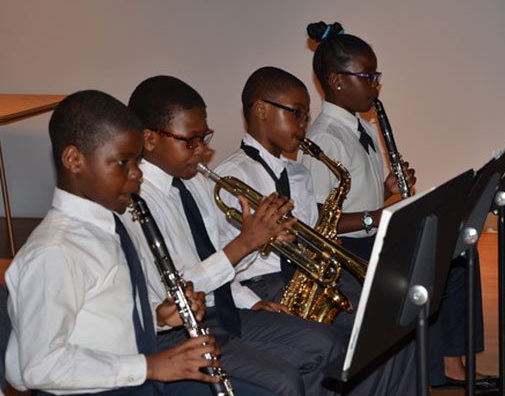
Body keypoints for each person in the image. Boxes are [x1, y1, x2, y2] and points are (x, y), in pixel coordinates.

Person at [299, 21, 497, 391]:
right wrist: (377, 216)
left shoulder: (360, 127)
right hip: (349, 248)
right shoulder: (324, 138)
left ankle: (449, 363)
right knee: (436, 265)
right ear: (337, 81)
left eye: (376, 76)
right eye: (367, 76)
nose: (375, 85)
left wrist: (387, 189)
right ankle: (439, 367)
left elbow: (355, 194)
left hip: (371, 234)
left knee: (458, 255)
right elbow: (318, 219)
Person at [124, 75, 344, 396]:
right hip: (177, 334)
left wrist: (253, 291)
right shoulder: (135, 202)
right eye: (191, 141)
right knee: (283, 382)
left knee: (329, 343)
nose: (202, 150)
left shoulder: (194, 182)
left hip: (226, 312)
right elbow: (175, 294)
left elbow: (215, 259)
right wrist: (246, 243)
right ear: (149, 139)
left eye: (204, 137)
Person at [4, 90, 226, 396]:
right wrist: (148, 367)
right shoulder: (55, 251)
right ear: (74, 160)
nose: (137, 174)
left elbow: (104, 321)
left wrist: (157, 317)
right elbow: (39, 366)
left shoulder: (107, 226)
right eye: (123, 162)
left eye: (137, 161)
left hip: (127, 379)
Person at [213, 66, 417, 395]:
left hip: (306, 278)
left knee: (396, 317)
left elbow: (309, 235)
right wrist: (252, 301)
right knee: (348, 338)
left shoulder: (298, 174)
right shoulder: (231, 177)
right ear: (261, 110)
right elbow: (220, 260)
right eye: (296, 114)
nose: (303, 126)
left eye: (306, 117)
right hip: (263, 286)